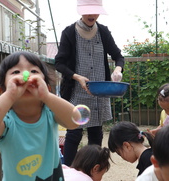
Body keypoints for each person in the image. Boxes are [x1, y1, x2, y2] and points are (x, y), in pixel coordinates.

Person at [0, 51, 80, 181]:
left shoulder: (50, 113)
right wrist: (10, 95)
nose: (26, 75)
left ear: (47, 87)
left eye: (34, 71)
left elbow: (75, 120)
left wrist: (46, 96)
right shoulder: (7, 122)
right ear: (3, 90)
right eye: (15, 72)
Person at [54, 0, 124, 166]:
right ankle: (71, 172)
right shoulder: (69, 32)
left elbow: (118, 56)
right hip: (76, 92)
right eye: (88, 11)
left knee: (96, 134)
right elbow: (59, 63)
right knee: (74, 134)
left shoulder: (103, 32)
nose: (92, 15)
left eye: (95, 11)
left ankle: (93, 170)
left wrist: (118, 70)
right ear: (81, 11)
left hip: (99, 92)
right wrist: (77, 77)